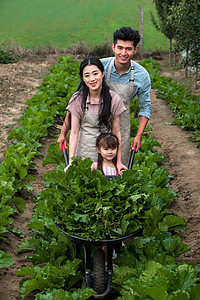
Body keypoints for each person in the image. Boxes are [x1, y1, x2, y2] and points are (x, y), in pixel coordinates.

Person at [57, 26, 151, 166]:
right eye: (120, 48)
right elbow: (79, 100)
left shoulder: (141, 76)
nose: (123, 53)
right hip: (90, 127)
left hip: (119, 127)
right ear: (113, 47)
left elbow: (145, 108)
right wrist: (63, 132)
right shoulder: (100, 67)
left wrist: (138, 136)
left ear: (135, 50)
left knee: (116, 172)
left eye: (128, 49)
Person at [64, 57, 127, 173]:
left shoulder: (113, 99)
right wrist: (71, 162)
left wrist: (118, 161)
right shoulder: (77, 99)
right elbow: (74, 132)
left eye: (95, 74)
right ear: (83, 78)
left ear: (102, 74)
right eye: (87, 75)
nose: (92, 79)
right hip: (84, 151)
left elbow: (117, 132)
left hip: (106, 155)